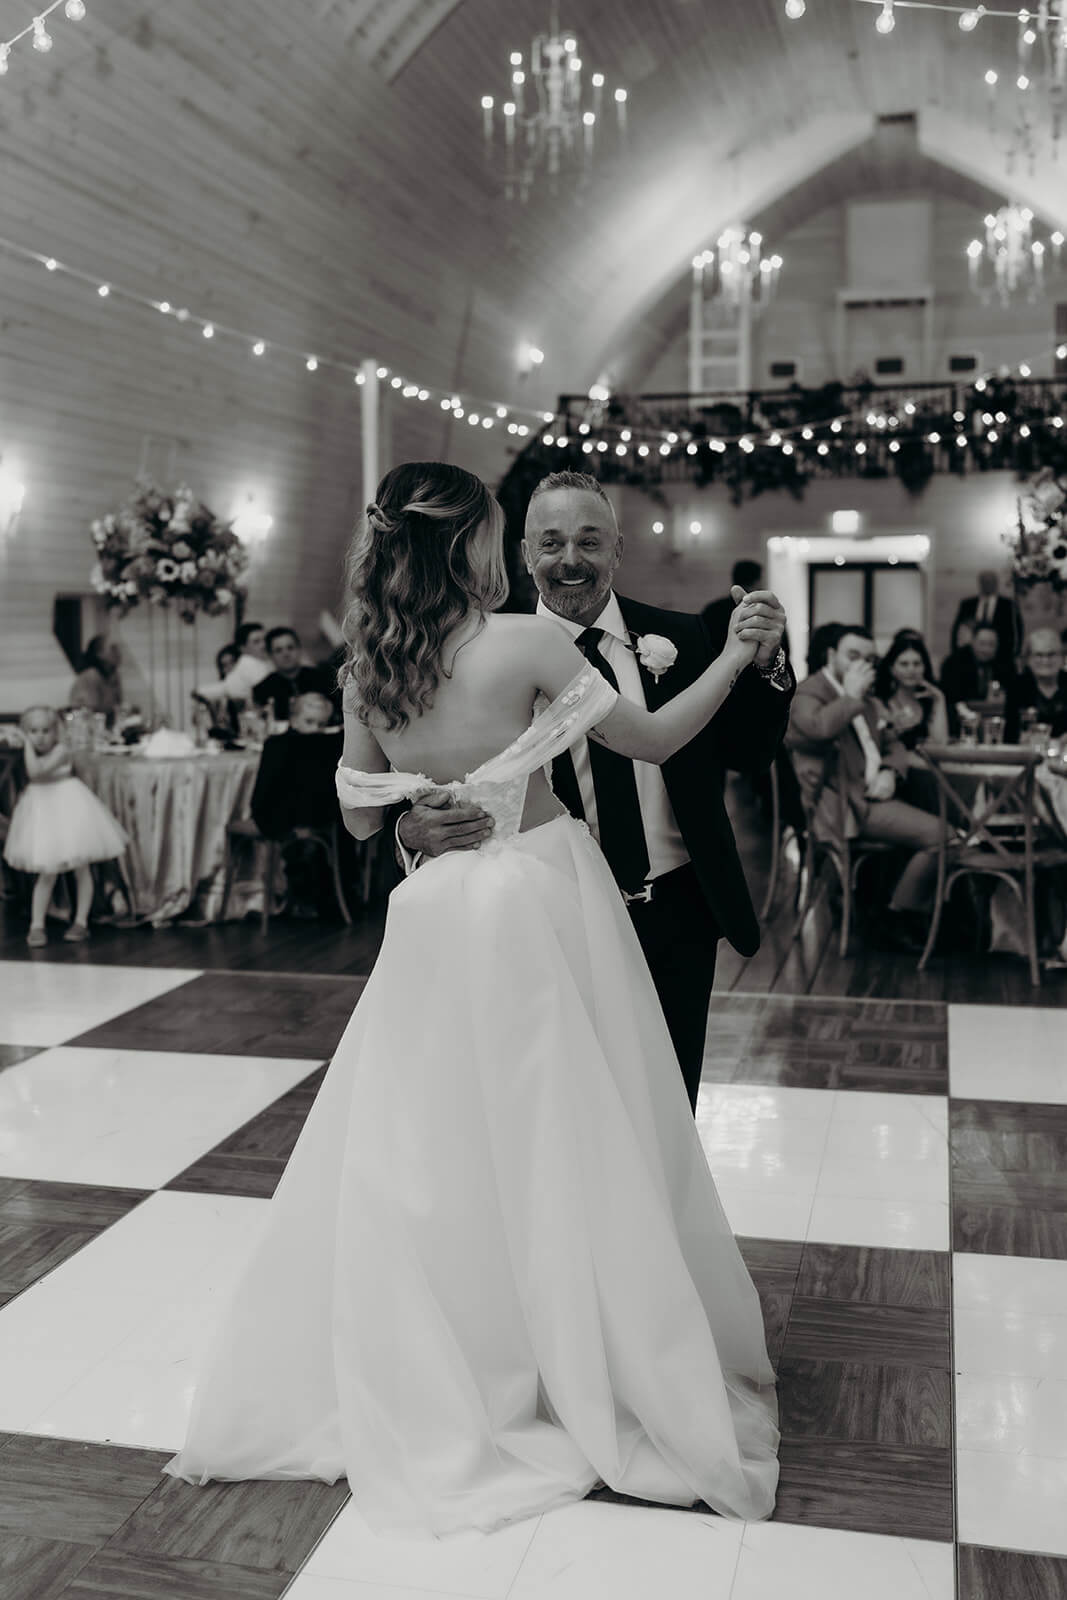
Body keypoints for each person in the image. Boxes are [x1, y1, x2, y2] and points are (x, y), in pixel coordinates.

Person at [165, 460, 779, 1538]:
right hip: (541, 900)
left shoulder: (369, 664)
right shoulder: (527, 644)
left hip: (438, 914)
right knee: (577, 1130)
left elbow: (359, 815)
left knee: (440, 1146)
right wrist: (730, 651)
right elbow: (651, 738)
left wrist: (410, 821)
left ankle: (472, 1350)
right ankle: (579, 1350)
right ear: (472, 545)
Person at [396, 471, 793, 1112]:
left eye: (589, 541)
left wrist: (767, 664)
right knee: (556, 1112)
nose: (570, 560)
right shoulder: (478, 656)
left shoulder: (686, 638)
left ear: (618, 549)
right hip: (542, 915)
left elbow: (749, 754)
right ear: (523, 554)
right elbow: (410, 776)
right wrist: (409, 830)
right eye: (550, 544)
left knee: (665, 1112)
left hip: (672, 910)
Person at [786, 624, 948, 952]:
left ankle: (905, 913)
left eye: (869, 658)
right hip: (840, 805)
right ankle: (898, 916)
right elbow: (817, 730)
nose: (862, 665)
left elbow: (893, 745)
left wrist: (890, 772)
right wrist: (850, 697)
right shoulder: (807, 693)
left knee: (938, 811)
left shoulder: (868, 698)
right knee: (942, 835)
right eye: (853, 656)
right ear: (831, 656)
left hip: (875, 795)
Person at [3, 706, 128, 947]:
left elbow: (35, 772)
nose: (39, 736)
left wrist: (25, 744)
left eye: (45, 731)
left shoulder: (61, 750)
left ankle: (81, 921)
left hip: (68, 805)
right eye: (33, 731)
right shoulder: (35, 749)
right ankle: (37, 924)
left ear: (56, 732)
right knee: (47, 871)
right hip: (41, 810)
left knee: (81, 867)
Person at [249, 691, 346, 918]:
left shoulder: (276, 745)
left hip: (285, 817)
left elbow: (261, 795)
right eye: (310, 722)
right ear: (293, 719)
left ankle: (294, 886)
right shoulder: (332, 744)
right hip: (322, 817)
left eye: (320, 724)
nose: (314, 730)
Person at [252, 627, 340, 723]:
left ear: (299, 649)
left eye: (290, 647)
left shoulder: (323, 679)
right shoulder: (261, 690)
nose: (286, 654)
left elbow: (338, 715)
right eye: (278, 650)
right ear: (270, 655)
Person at [940, 621, 1013, 736]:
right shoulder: (954, 663)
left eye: (991, 644)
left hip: (996, 720)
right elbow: (951, 698)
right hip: (961, 721)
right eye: (982, 644)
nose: (986, 649)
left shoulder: (1006, 664)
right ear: (972, 642)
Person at [950, 569, 1022, 676]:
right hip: (970, 658)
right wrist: (956, 653)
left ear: (996, 583)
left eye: (990, 581)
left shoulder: (1008, 605)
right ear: (980, 583)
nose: (987, 584)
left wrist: (1013, 653)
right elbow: (957, 629)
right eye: (984, 581)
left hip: (1001, 658)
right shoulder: (968, 604)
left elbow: (1018, 631)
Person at [1005, 628, 1067, 741]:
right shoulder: (1017, 686)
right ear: (1028, 659)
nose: (1045, 660)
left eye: (1051, 654)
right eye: (1039, 655)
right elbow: (1010, 734)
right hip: (1028, 753)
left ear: (1062, 657)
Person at [195, 621, 272, 706]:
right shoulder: (248, 663)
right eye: (256, 642)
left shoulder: (264, 662)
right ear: (243, 648)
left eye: (265, 639)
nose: (264, 644)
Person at [68, 635, 122, 726]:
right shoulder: (90, 676)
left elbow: (116, 706)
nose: (118, 653)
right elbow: (91, 713)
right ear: (99, 654)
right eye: (113, 649)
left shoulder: (112, 676)